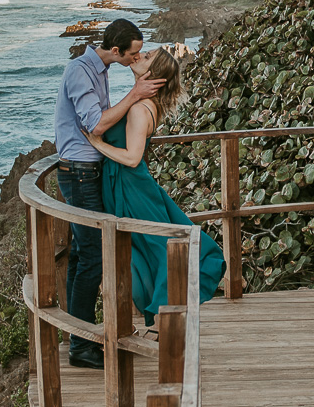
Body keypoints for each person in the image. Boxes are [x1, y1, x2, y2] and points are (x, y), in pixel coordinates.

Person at [53, 19, 161, 368]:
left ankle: (78, 336)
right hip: (80, 175)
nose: (136, 58)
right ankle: (81, 348)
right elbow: (95, 124)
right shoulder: (81, 71)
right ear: (115, 50)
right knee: (94, 257)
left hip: (86, 172)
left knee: (82, 256)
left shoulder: (99, 69)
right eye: (132, 54)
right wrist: (136, 95)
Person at [88, 47, 225, 319]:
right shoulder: (144, 104)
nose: (139, 56)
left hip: (132, 187)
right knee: (144, 249)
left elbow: (132, 157)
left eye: (147, 57)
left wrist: (97, 144)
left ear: (155, 74)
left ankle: (167, 314)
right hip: (128, 186)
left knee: (159, 249)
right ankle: (161, 313)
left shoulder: (140, 109)